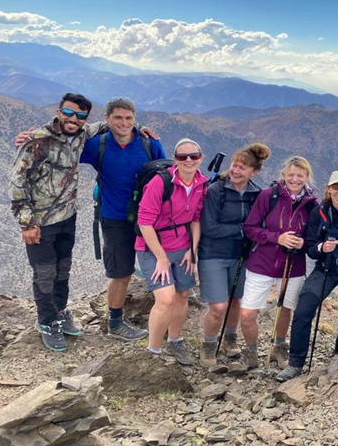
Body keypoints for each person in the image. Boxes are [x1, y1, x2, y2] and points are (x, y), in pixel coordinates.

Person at [9, 93, 108, 352]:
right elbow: (17, 184)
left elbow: (108, 124)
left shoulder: (83, 133)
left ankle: (60, 313)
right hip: (40, 222)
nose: (73, 119)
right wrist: (26, 224)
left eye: (80, 115)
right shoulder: (37, 142)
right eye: (69, 112)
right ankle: (46, 322)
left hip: (68, 217)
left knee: (63, 270)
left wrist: (140, 128)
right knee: (44, 274)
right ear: (59, 110)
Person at [276, 170, 338, 382]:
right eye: (336, 188)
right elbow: (310, 247)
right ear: (328, 189)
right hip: (325, 268)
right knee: (303, 310)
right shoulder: (318, 213)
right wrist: (322, 247)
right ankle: (295, 363)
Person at [79, 98, 166, 340]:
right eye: (118, 117)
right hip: (115, 216)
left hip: (149, 216)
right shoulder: (97, 145)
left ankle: (171, 307)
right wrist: (31, 142)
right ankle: (115, 322)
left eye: (128, 118)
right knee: (121, 271)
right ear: (107, 119)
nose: (124, 123)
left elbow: (166, 174)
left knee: (164, 259)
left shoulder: (149, 143)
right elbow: (65, 156)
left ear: (135, 119)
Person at [240, 156, 318, 368]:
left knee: (285, 308)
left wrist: (302, 243)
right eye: (291, 174)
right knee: (247, 313)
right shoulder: (269, 196)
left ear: (306, 177)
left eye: (300, 175)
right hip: (262, 263)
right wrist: (277, 238)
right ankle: (251, 350)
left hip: (293, 264)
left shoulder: (311, 204)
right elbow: (250, 228)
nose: (295, 179)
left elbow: (314, 237)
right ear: (283, 175)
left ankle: (279, 347)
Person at [197, 143, 270, 367]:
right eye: (234, 165)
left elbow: (260, 224)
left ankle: (230, 338)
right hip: (213, 254)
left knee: (235, 301)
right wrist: (242, 230)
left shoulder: (256, 194)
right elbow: (209, 227)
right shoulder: (216, 190)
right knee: (218, 306)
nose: (236, 171)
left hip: (242, 256)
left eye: (243, 168)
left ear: (253, 172)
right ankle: (208, 345)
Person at [138, 138, 207, 366]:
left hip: (183, 246)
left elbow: (196, 218)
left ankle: (175, 341)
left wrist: (192, 251)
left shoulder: (201, 183)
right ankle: (153, 350)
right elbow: (145, 222)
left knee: (183, 295)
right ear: (175, 159)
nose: (188, 160)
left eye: (193, 156)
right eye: (182, 156)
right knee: (166, 299)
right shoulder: (160, 182)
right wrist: (161, 258)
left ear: (201, 158)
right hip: (153, 247)